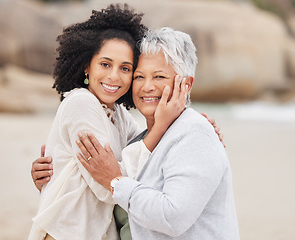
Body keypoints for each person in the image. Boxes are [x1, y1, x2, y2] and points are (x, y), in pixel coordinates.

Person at [29, 4, 189, 240]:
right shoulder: (81, 103)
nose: (114, 76)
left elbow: (146, 154)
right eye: (105, 64)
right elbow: (107, 188)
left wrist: (188, 124)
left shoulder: (119, 115)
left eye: (125, 68)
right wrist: (162, 126)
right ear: (87, 65)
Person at [75, 27, 240, 239]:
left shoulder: (194, 134)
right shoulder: (139, 141)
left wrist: (115, 181)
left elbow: (172, 217)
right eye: (139, 77)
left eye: (159, 76)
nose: (147, 86)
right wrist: (52, 175)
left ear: (186, 84)